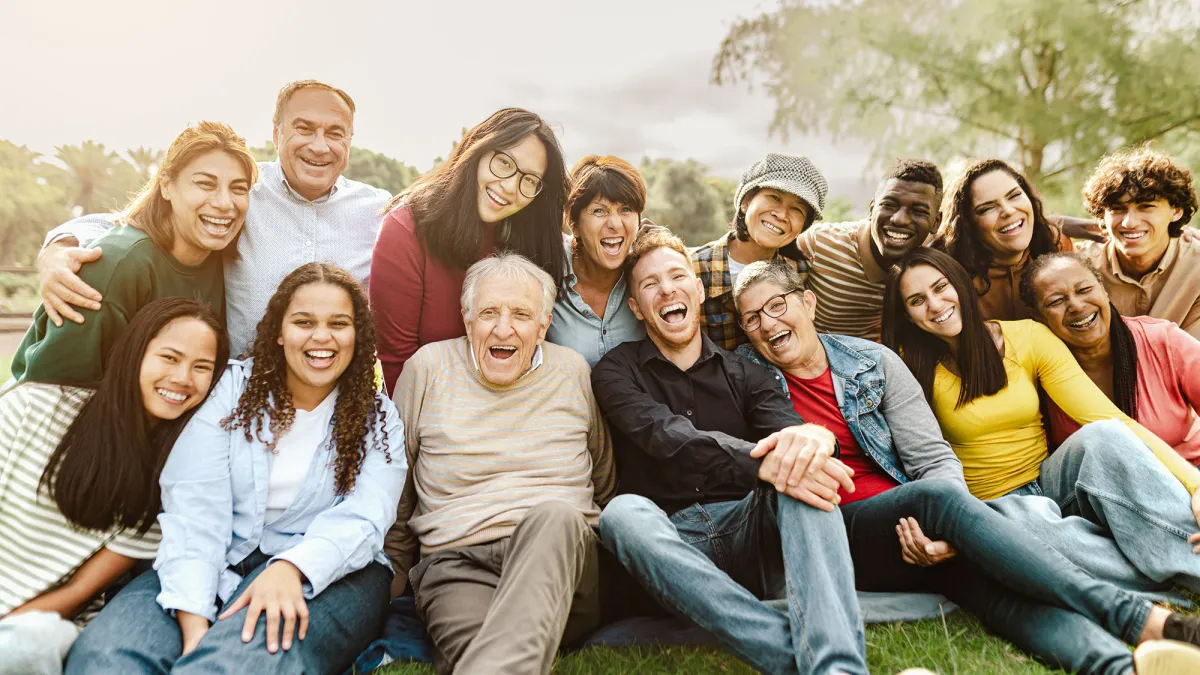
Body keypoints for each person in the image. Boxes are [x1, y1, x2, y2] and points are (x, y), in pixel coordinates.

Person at [731, 257, 1200, 675]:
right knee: (941, 500)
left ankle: (1122, 666)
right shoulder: (746, 377)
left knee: (995, 592)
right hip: (833, 531)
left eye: (776, 305)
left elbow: (931, 457)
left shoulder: (872, 362)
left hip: (913, 526)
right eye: (751, 318)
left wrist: (941, 537)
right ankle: (1143, 620)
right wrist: (944, 516)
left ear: (808, 303)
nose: (766, 323)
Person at [66, 263, 406, 675]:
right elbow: (195, 504)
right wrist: (193, 623)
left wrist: (290, 568)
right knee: (106, 658)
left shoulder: (378, 418)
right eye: (304, 322)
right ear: (279, 331)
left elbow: (365, 518)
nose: (321, 336)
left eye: (339, 323)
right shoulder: (231, 390)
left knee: (238, 663)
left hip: (332, 572)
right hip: (211, 555)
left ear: (358, 336)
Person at [592, 226, 869, 675]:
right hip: (669, 544)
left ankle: (838, 668)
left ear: (698, 290)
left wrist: (814, 441)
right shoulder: (613, 371)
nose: (667, 290)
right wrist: (765, 465)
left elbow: (790, 433)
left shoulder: (748, 374)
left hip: (747, 531)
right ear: (636, 309)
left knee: (802, 475)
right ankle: (795, 655)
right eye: (650, 285)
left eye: (677, 277)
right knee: (621, 514)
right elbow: (665, 435)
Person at [881, 247, 1200, 592]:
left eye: (941, 287)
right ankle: (1151, 589)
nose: (935, 304)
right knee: (1035, 528)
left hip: (1051, 482)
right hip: (992, 507)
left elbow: (1108, 416)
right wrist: (957, 530)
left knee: (1104, 435)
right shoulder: (905, 368)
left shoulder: (1028, 337)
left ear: (959, 283)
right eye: (917, 300)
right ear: (908, 317)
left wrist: (1195, 486)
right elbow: (912, 461)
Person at [36, 80, 390, 358]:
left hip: (332, 404)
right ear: (277, 134)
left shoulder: (378, 212)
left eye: (335, 133)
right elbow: (130, 223)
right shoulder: (239, 191)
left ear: (350, 141)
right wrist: (58, 248)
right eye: (304, 128)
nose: (319, 145)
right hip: (232, 400)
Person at [384, 253, 615, 674]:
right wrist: (393, 574)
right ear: (468, 319)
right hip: (456, 564)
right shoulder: (428, 370)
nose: (503, 328)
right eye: (489, 312)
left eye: (521, 314)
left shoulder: (572, 371)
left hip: (560, 559)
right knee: (484, 657)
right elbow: (398, 485)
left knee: (556, 516)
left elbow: (603, 478)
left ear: (544, 325)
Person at [0, 298, 229, 675]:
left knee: (25, 644)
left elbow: (76, 594)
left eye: (201, 367)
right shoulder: (34, 407)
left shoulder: (169, 480)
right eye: (170, 358)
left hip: (36, 629)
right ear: (135, 353)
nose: (183, 378)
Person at [10, 121, 254, 386]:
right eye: (205, 184)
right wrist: (54, 248)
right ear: (166, 185)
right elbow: (54, 390)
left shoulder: (229, 257)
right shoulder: (116, 264)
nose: (224, 203)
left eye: (238, 188)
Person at [371, 108, 570, 392]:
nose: (511, 187)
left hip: (520, 406)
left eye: (529, 180)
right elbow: (397, 364)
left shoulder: (530, 238)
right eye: (504, 163)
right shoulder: (406, 230)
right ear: (477, 151)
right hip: (435, 411)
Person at [1021, 252, 1200, 463]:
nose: (1077, 306)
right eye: (1056, 301)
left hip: (1189, 476)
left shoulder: (1163, 340)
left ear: (1104, 290)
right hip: (1097, 491)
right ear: (1038, 317)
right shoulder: (1034, 373)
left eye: (1084, 290)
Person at [794, 159, 942, 341]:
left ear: (936, 222)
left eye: (918, 210)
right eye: (889, 205)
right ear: (872, 209)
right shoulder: (820, 244)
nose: (900, 219)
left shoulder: (934, 270)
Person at [691, 153, 828, 350]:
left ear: (802, 227)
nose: (781, 215)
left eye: (797, 210)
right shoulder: (693, 268)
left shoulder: (799, 272)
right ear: (746, 201)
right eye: (774, 198)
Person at [1074, 147, 1200, 338]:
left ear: (1176, 211)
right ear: (1102, 216)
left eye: (1146, 207)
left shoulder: (1195, 265)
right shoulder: (1080, 267)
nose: (1129, 222)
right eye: (1117, 209)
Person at [934, 158, 1071, 321]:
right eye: (987, 208)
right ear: (967, 223)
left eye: (1014, 195)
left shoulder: (1057, 245)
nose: (1008, 211)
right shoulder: (946, 275)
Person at [545, 155, 647, 366]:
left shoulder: (649, 270)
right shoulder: (545, 270)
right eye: (599, 211)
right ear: (573, 224)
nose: (615, 224)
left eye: (625, 209)